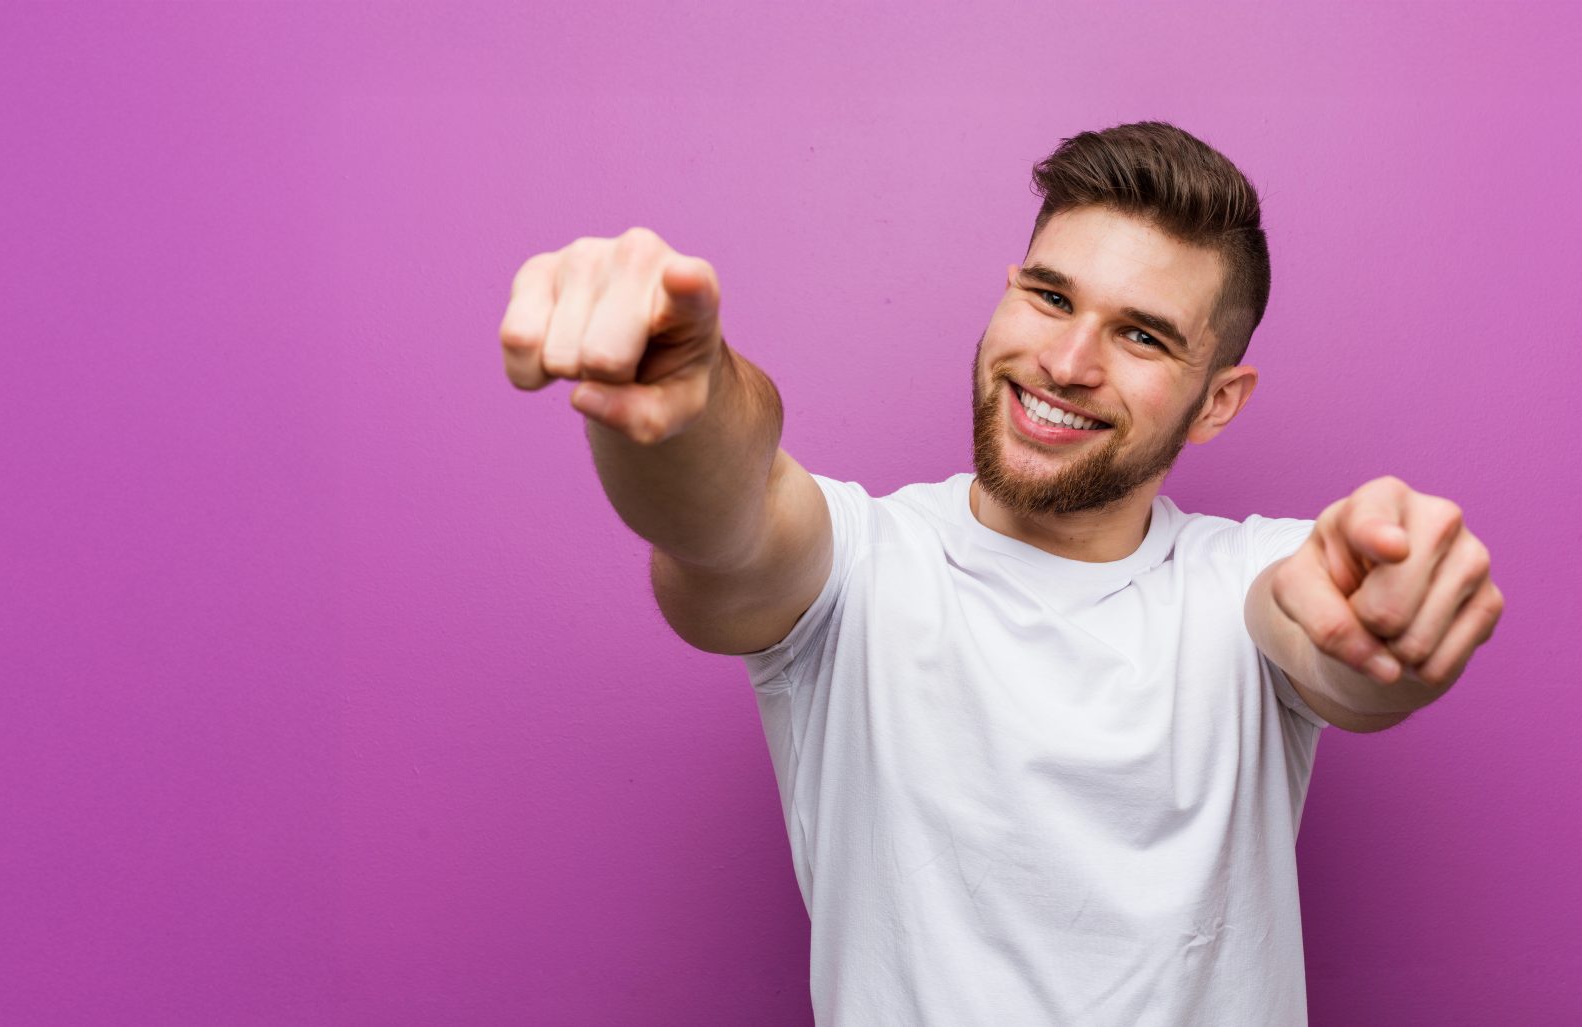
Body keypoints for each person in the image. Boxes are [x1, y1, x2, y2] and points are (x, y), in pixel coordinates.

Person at [496, 121, 1503, 1025]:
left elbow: (1322, 641)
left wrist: (1381, 625)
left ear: (1217, 402)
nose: (1066, 361)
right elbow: (731, 516)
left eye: (1142, 335)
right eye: (1049, 294)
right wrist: (687, 390)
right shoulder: (863, 565)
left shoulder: (1250, 578)